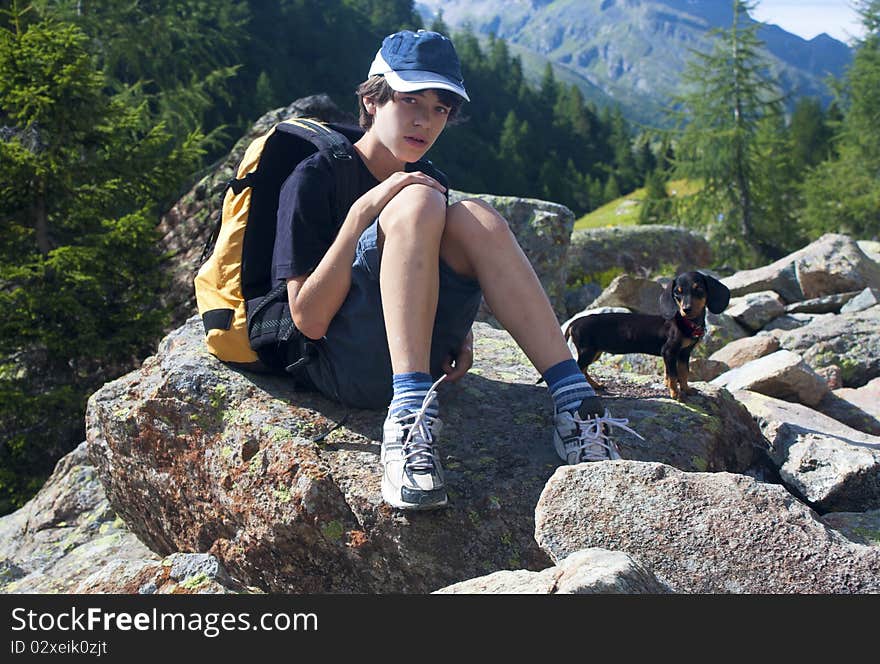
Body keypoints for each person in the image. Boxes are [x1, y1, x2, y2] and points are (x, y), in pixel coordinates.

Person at [271, 29, 639, 511]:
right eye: (410, 100)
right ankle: (406, 427)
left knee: (477, 215)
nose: (425, 120)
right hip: (341, 368)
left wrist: (458, 333)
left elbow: (427, 272)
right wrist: (363, 212)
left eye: (441, 108)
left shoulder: (431, 180)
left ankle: (575, 402)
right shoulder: (316, 176)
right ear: (371, 99)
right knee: (420, 197)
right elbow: (308, 319)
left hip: (425, 364)